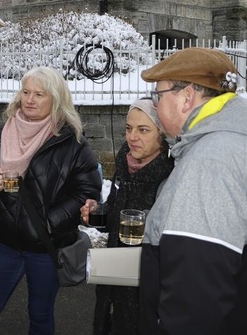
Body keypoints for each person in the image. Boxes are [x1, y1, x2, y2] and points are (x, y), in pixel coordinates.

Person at [137, 47, 247, 335]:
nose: (154, 105)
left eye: (158, 95)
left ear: (187, 97)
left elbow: (194, 298)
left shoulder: (211, 161)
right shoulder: (241, 143)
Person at [0, 66, 102, 335]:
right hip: (6, 243)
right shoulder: (3, 132)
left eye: (39, 94)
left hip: (45, 245)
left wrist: (49, 223)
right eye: (26, 92)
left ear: (56, 99)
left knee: (40, 314)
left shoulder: (71, 142)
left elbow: (86, 192)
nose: (29, 99)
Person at [80, 98, 174, 335]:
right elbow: (114, 211)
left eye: (143, 130)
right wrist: (96, 214)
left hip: (150, 287)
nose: (132, 137)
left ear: (161, 134)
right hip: (116, 276)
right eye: (129, 128)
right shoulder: (126, 161)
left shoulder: (172, 174)